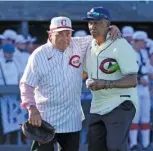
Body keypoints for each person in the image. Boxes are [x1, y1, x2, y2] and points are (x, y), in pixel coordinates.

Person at [19, 16, 120, 151]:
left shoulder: (78, 44)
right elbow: (26, 84)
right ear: (50, 34)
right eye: (59, 34)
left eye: (68, 33)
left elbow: (101, 35)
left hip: (71, 117)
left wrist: (111, 28)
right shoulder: (39, 54)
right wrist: (32, 108)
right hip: (45, 116)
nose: (65, 38)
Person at [83, 7, 138, 151]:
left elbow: (132, 80)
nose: (92, 26)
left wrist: (105, 83)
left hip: (120, 103)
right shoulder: (88, 45)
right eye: (90, 23)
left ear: (107, 24)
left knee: (115, 148)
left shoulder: (120, 44)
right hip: (97, 105)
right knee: (95, 148)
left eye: (97, 22)